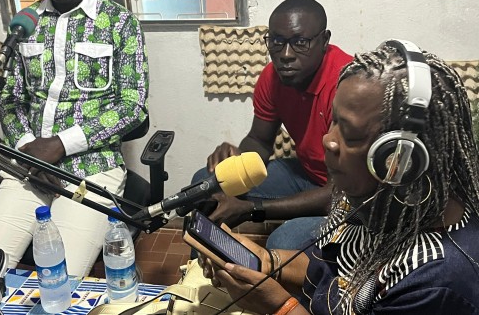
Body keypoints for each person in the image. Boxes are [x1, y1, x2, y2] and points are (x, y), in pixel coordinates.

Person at [202, 40, 479, 314]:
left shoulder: (437, 282)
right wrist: (267, 261)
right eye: (333, 120)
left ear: (404, 158)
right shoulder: (372, 199)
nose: (327, 140)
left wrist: (279, 307)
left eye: (350, 133)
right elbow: (328, 267)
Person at [0, 0, 148, 278]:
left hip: (93, 171)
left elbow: (132, 107)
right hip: (27, 168)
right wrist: (30, 150)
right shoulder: (26, 23)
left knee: (60, 281)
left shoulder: (120, 24)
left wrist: (59, 146)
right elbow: (10, 99)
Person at [192, 0, 352, 250]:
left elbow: (337, 194)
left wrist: (252, 209)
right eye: (277, 42)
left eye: (300, 42)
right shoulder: (272, 77)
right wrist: (237, 159)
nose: (286, 55)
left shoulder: (347, 86)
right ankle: (200, 268)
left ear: (324, 40)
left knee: (283, 242)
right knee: (206, 185)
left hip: (349, 196)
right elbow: (260, 140)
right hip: (307, 174)